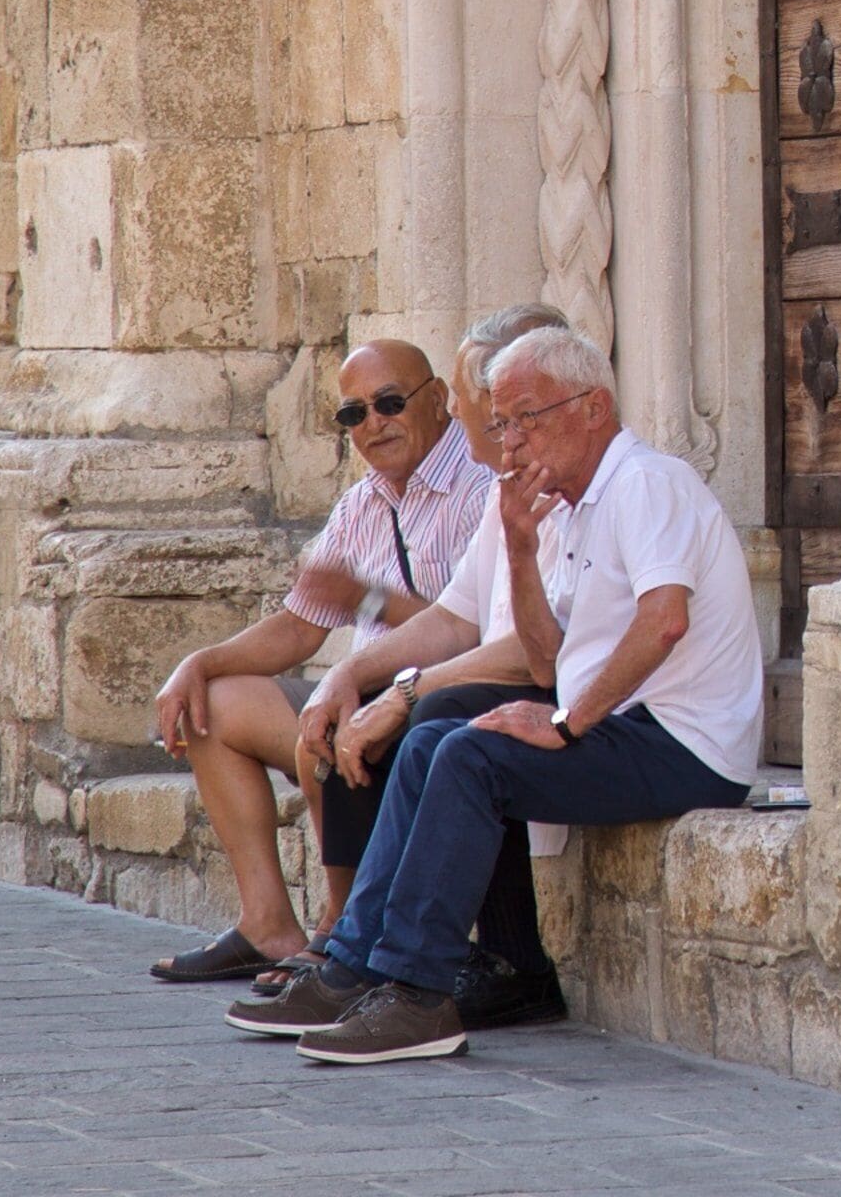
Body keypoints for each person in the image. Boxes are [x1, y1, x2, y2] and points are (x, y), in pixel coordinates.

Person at [224, 325, 767, 1063]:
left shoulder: (645, 483)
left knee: (469, 756)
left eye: (527, 419)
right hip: (626, 728)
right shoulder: (568, 504)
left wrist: (570, 723)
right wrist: (518, 548)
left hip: (685, 743)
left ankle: (418, 994)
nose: (510, 442)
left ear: (594, 409)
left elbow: (663, 620)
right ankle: (357, 965)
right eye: (503, 423)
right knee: (439, 740)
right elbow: (545, 656)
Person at [145, 340, 493, 984]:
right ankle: (268, 925)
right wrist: (199, 661)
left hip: (440, 706)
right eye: (352, 414)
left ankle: (340, 932)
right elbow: (302, 624)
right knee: (212, 705)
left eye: (390, 403)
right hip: (363, 698)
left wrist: (370, 600)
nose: (373, 424)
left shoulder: (481, 485)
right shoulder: (365, 500)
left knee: (330, 726)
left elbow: (476, 636)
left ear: (439, 399)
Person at [276, 301, 578, 1027]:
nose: (491, 435)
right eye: (492, 417)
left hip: (631, 726)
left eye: (500, 416)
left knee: (449, 727)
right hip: (563, 704)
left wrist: (402, 691)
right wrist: (356, 676)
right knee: (429, 716)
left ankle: (400, 973)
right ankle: (367, 955)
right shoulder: (517, 488)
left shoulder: (582, 488)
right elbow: (458, 619)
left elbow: (539, 657)